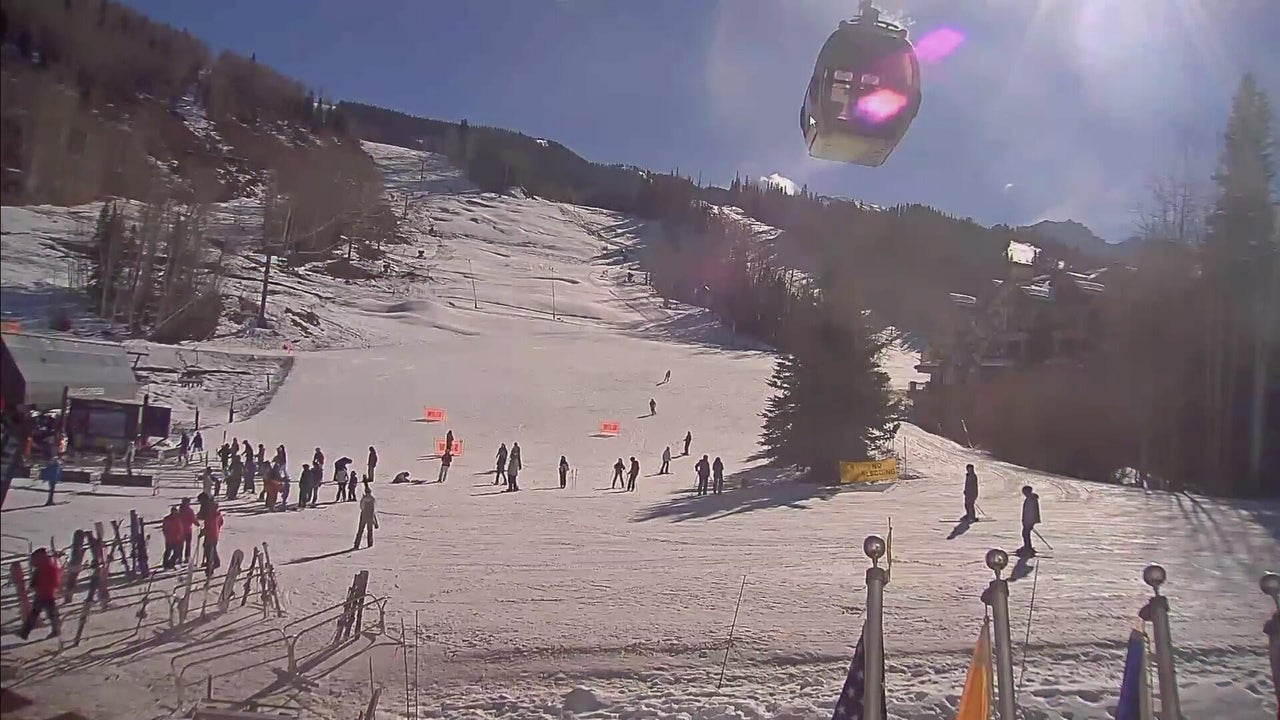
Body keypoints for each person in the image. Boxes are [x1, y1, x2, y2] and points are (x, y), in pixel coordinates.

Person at [18, 548, 61, 641]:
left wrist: (33, 587)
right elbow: (56, 581)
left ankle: (24, 633)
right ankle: (56, 630)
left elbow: (34, 581)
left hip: (42, 595)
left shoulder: (40, 568)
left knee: (34, 614)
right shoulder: (51, 566)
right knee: (52, 614)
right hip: (49, 594)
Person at [1018, 485, 1042, 556]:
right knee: (1025, 534)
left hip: (1029, 520)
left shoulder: (1031, 499)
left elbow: (1031, 511)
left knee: (1025, 534)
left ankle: (1028, 547)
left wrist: (1030, 522)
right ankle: (1027, 546)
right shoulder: (1030, 498)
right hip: (1028, 520)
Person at [202, 503, 223, 575]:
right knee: (212, 549)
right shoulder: (218, 515)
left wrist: (203, 532)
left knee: (209, 550)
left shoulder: (211, 516)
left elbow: (209, 527)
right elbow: (221, 522)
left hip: (210, 535)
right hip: (214, 535)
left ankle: (210, 565)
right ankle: (216, 562)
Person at [179, 497, 197, 563]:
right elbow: (193, 519)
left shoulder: (180, 510)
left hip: (180, 530)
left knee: (180, 545)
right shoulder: (189, 511)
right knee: (188, 544)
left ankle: (179, 557)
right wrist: (197, 524)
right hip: (188, 530)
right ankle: (187, 557)